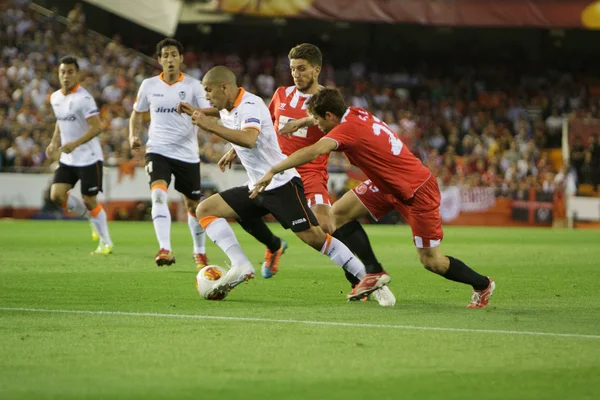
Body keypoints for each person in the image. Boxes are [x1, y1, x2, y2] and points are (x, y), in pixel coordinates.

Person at [252, 88, 496, 308]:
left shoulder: (347, 130)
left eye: (317, 120)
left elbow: (314, 150)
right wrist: (302, 122)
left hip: (417, 190)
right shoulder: (355, 113)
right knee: (338, 214)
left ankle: (483, 285)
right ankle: (373, 271)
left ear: (329, 116)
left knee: (432, 261)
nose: (315, 125)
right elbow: (325, 120)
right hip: (386, 185)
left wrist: (274, 169)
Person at [185, 66, 391, 301]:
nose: (206, 96)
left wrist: (209, 125)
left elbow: (250, 138)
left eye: (208, 90)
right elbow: (242, 130)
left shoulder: (250, 105)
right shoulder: (227, 108)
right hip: (257, 186)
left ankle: (373, 282)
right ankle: (241, 265)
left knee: (317, 238)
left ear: (224, 87)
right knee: (205, 210)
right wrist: (225, 141)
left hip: (281, 184)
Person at [129, 38, 210, 268]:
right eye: (165, 55)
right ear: (159, 60)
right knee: (157, 195)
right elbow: (136, 114)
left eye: (174, 54)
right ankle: (165, 248)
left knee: (194, 206)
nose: (170, 59)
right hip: (158, 150)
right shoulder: (148, 85)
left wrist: (193, 111)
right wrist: (132, 136)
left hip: (187, 154)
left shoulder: (194, 86)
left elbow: (208, 113)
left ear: (181, 58)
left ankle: (199, 252)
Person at [46, 55, 113, 255]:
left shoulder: (84, 99)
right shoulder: (55, 97)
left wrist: (75, 143)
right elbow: (60, 120)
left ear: (77, 74)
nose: (66, 76)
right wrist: (53, 141)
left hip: (89, 157)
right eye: (62, 72)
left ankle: (106, 242)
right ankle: (90, 218)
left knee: (89, 200)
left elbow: (97, 127)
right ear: (58, 74)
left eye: (70, 72)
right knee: (56, 195)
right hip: (68, 158)